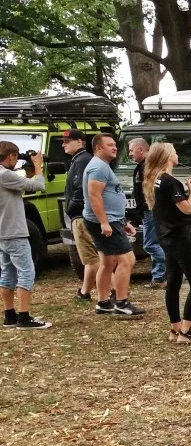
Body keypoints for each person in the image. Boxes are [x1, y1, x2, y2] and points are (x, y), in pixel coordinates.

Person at [143, 142, 191, 344]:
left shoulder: (156, 179)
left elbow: (171, 207)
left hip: (165, 235)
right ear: (167, 157)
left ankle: (175, 327)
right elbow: (186, 209)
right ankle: (186, 330)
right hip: (178, 236)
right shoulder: (170, 181)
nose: (177, 154)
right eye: (174, 151)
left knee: (173, 281)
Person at [83, 133, 145, 318]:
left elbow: (109, 196)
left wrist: (122, 222)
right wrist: (104, 222)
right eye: (109, 145)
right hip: (104, 221)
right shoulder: (98, 167)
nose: (115, 148)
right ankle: (121, 302)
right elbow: (94, 195)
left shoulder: (102, 166)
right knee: (127, 260)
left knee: (108, 262)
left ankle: (103, 302)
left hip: (110, 220)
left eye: (115, 144)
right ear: (98, 148)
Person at [0, 142, 52, 329]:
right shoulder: (5, 175)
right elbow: (39, 185)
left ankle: (10, 315)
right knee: (26, 272)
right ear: (11, 156)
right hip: (14, 232)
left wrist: (29, 171)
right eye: (16, 157)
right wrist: (38, 166)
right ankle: (24, 317)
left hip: (3, 233)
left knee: (7, 273)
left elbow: (23, 186)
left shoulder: (6, 176)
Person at [62, 129, 103, 304]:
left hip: (81, 216)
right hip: (83, 215)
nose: (63, 145)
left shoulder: (81, 161)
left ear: (79, 142)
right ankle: (85, 292)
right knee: (90, 257)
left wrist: (71, 209)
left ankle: (115, 291)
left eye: (67, 141)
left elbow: (81, 189)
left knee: (94, 258)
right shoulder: (80, 160)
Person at [128, 137, 167, 288]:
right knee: (155, 243)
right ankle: (159, 277)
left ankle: (175, 265)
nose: (130, 154)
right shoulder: (142, 166)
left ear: (141, 149)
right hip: (146, 211)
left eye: (131, 150)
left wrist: (147, 206)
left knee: (150, 245)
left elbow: (152, 190)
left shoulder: (148, 166)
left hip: (151, 210)